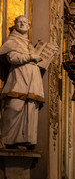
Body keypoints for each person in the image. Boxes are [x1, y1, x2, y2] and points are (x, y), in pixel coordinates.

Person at [0, 15, 44, 149]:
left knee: (29, 109)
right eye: (20, 22)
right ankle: (4, 139)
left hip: (32, 79)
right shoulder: (12, 41)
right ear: (15, 24)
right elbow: (12, 58)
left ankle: (20, 140)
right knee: (14, 106)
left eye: (25, 22)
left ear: (29, 25)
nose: (22, 24)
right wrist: (31, 57)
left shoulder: (28, 44)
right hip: (18, 77)